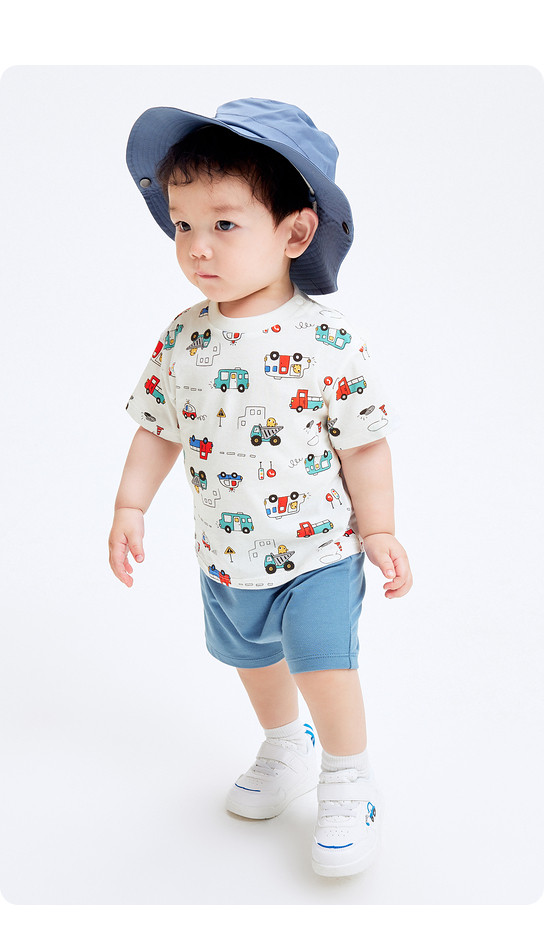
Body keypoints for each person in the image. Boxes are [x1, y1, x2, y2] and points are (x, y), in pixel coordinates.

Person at [108, 98, 412, 878]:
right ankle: (286, 746)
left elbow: (364, 444)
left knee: (322, 664)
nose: (196, 246)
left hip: (317, 551)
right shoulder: (184, 336)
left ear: (295, 233)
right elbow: (158, 428)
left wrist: (379, 528)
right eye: (183, 224)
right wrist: (130, 504)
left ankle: (349, 778)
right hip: (227, 553)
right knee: (253, 660)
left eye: (224, 223)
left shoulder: (329, 341)